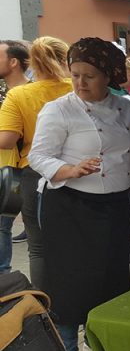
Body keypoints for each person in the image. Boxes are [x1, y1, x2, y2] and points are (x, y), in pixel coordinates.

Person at [28, 37, 130, 351]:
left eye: (89, 75)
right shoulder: (59, 109)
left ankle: (99, 336)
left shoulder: (124, 108)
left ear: (108, 75)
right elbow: (38, 157)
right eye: (75, 74)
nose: (80, 82)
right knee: (71, 278)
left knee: (111, 273)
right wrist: (70, 170)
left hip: (116, 202)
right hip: (71, 205)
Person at [0, 36, 72, 288]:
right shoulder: (76, 88)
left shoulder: (19, 95)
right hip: (76, 169)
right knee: (75, 239)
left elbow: (7, 139)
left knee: (38, 247)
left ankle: (46, 308)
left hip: (33, 172)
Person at [0, 40, 29, 275]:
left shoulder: (26, 93)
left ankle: (5, 284)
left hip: (16, 171)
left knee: (2, 227)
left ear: (13, 62)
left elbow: (6, 139)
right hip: (9, 168)